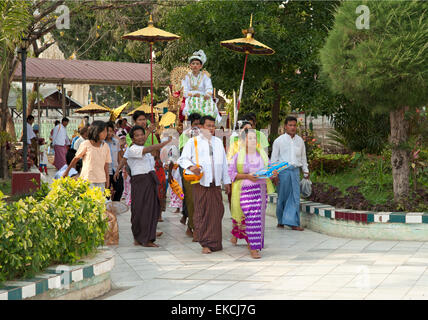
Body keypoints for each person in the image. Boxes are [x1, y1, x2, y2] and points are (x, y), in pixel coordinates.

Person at [178, 115, 231, 254]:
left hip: (216, 184)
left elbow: (224, 163)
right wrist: (191, 167)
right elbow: (182, 159)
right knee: (202, 213)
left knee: (217, 212)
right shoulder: (193, 142)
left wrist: (227, 182)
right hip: (201, 183)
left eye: (213, 126)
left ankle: (215, 242)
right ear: (201, 127)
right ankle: (205, 243)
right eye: (208, 126)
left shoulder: (218, 142)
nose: (212, 128)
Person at [119, 125, 171, 247]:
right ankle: (144, 238)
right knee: (142, 209)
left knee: (150, 209)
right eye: (137, 135)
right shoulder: (133, 149)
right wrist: (165, 143)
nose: (140, 137)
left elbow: (148, 155)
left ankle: (143, 236)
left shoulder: (143, 149)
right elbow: (149, 149)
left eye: (142, 134)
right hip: (141, 181)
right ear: (132, 139)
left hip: (149, 179)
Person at [228, 129, 277, 259]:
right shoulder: (238, 156)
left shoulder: (263, 155)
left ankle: (254, 245)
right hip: (246, 191)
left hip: (261, 191)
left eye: (254, 138)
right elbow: (231, 173)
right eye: (249, 138)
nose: (253, 141)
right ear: (243, 141)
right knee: (251, 218)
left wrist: (273, 173)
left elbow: (269, 171)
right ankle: (253, 248)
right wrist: (247, 176)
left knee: (259, 220)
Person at [271, 116, 309, 231]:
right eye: (290, 125)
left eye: (294, 125)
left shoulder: (300, 141)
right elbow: (274, 159)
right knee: (282, 197)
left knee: (295, 197)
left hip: (295, 172)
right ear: (285, 126)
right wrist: (274, 174)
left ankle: (294, 223)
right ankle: (281, 220)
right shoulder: (279, 141)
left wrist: (306, 171)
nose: (292, 128)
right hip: (282, 172)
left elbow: (303, 157)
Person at [63, 121, 111, 192]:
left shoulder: (106, 146)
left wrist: (107, 179)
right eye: (103, 131)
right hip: (87, 179)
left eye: (106, 131)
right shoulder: (86, 144)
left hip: (101, 180)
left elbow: (106, 166)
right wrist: (67, 171)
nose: (106, 134)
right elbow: (75, 159)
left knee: (99, 202)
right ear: (96, 132)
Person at [179, 113, 202, 237]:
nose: (197, 127)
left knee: (200, 201)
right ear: (191, 125)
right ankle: (193, 227)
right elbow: (183, 154)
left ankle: (197, 226)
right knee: (191, 200)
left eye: (199, 124)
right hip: (189, 173)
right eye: (195, 124)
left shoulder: (205, 136)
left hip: (202, 173)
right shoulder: (185, 135)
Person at [182, 50, 221, 122]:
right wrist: (193, 94)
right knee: (194, 103)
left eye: (197, 64)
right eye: (193, 63)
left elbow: (209, 88)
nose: (195, 65)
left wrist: (207, 94)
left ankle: (207, 123)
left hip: (204, 97)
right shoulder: (186, 77)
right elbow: (184, 91)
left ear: (201, 66)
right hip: (191, 97)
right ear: (190, 65)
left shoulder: (205, 76)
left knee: (209, 105)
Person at [106, 122, 123, 201]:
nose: (109, 133)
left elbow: (119, 155)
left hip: (116, 169)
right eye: (107, 131)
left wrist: (120, 168)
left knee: (119, 189)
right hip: (106, 171)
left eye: (111, 131)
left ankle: (115, 204)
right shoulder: (101, 143)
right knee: (106, 191)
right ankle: (107, 209)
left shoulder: (116, 142)